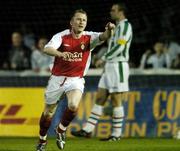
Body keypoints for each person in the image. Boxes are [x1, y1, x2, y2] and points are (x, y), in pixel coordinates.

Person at [36, 9, 115, 151]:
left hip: (76, 79)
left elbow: (104, 36)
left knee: (73, 105)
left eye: (84, 20)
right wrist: (61, 54)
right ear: (72, 22)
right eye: (78, 19)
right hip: (57, 79)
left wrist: (109, 29)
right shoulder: (62, 36)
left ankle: (61, 130)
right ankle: (42, 140)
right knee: (48, 113)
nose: (81, 22)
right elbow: (47, 49)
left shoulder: (89, 37)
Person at [71, 2, 133, 141]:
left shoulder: (125, 26)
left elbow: (120, 47)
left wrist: (104, 57)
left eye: (113, 10)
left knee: (116, 100)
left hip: (118, 66)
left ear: (121, 12)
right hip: (110, 66)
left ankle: (116, 135)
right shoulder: (116, 27)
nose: (111, 12)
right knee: (100, 97)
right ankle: (88, 130)